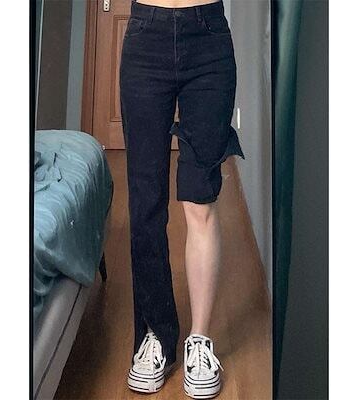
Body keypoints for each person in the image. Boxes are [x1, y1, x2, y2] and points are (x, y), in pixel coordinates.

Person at [119, 0, 245, 398]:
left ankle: (200, 340)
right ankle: (155, 334)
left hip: (208, 41)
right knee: (146, 202)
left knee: (199, 199)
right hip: (145, 38)